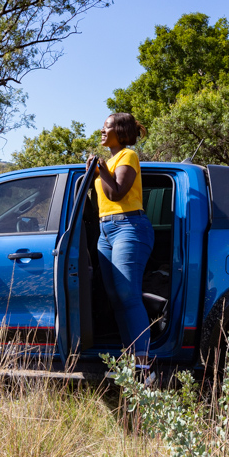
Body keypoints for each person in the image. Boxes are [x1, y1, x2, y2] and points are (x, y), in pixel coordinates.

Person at [87, 113, 155, 370]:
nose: (102, 131)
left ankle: (143, 366)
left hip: (129, 227)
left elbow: (116, 193)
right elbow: (102, 197)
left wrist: (102, 170)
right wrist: (94, 172)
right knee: (115, 297)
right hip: (105, 231)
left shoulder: (128, 156)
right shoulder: (108, 162)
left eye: (107, 127)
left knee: (128, 295)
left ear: (121, 131)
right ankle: (131, 360)